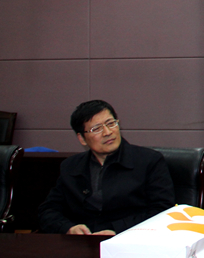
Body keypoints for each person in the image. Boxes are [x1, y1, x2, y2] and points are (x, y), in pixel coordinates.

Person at [38, 100, 175, 235]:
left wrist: (117, 230)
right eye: (96, 129)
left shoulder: (149, 161)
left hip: (130, 240)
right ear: (82, 139)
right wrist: (68, 228)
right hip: (83, 243)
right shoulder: (71, 166)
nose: (107, 132)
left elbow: (162, 211)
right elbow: (48, 210)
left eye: (111, 123)